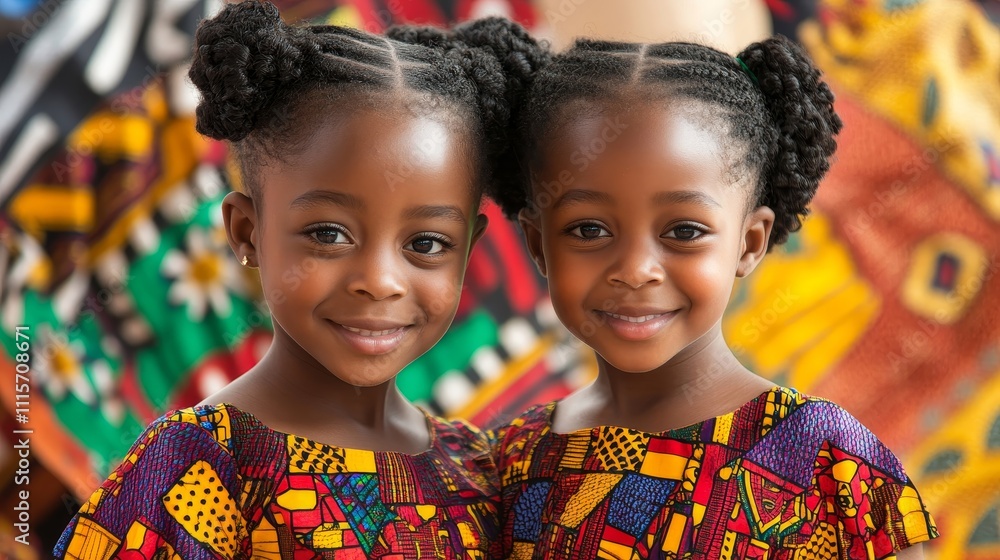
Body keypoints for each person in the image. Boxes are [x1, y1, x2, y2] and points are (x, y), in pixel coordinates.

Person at [54, 1, 548, 558]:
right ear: (247, 231)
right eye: (329, 234)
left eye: (426, 244)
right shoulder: (198, 470)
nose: (379, 281)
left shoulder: (479, 473)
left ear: (468, 252)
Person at [489, 35, 938, 559]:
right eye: (589, 230)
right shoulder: (514, 462)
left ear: (749, 243)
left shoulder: (829, 461)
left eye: (683, 230)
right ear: (538, 243)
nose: (635, 271)